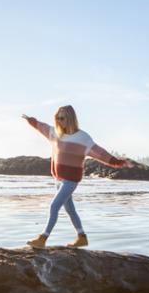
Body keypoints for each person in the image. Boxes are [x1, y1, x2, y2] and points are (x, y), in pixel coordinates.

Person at [22, 105, 133, 249]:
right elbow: (41, 126)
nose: (59, 121)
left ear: (70, 118)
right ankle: (82, 237)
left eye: (62, 118)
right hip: (58, 179)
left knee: (54, 206)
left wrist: (118, 162)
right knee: (70, 209)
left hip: (71, 180)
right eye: (57, 118)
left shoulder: (82, 138)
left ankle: (43, 238)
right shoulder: (55, 133)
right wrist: (31, 121)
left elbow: (100, 153)